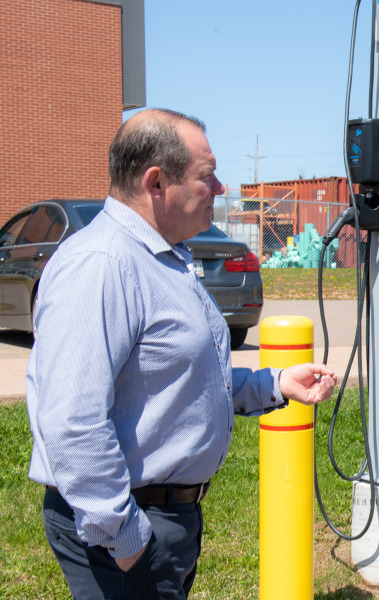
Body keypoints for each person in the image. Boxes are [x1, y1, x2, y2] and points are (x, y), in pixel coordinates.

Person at [26, 108, 336, 599]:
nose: (219, 189)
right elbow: (71, 421)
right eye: (205, 176)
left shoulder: (163, 257)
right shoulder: (101, 265)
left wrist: (274, 384)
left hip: (161, 520)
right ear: (156, 182)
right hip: (121, 531)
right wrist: (125, 537)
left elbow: (179, 379)